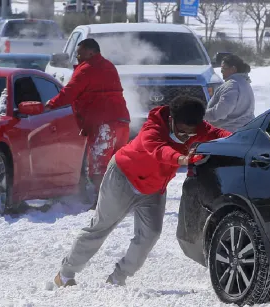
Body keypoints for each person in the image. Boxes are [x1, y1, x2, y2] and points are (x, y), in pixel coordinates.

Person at [53, 95, 232, 288]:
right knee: (101, 227)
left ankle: (118, 276)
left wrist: (242, 139)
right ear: (172, 120)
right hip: (123, 179)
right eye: (182, 131)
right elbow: (158, 149)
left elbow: (220, 134)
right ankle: (65, 273)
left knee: (151, 234)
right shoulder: (153, 128)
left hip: (153, 189)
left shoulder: (198, 129)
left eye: (191, 133)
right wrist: (181, 159)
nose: (185, 136)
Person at [45, 38, 130, 209]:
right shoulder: (108, 66)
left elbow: (70, 92)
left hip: (104, 123)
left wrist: (51, 104)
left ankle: (102, 202)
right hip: (121, 122)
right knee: (117, 164)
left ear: (91, 53)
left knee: (99, 165)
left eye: (79, 53)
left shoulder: (87, 69)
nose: (76, 56)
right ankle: (120, 200)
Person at [204, 54, 255, 133]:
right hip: (243, 131)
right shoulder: (244, 82)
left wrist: (201, 115)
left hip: (229, 134)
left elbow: (220, 112)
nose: (221, 71)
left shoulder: (232, 86)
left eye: (224, 68)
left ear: (233, 69)